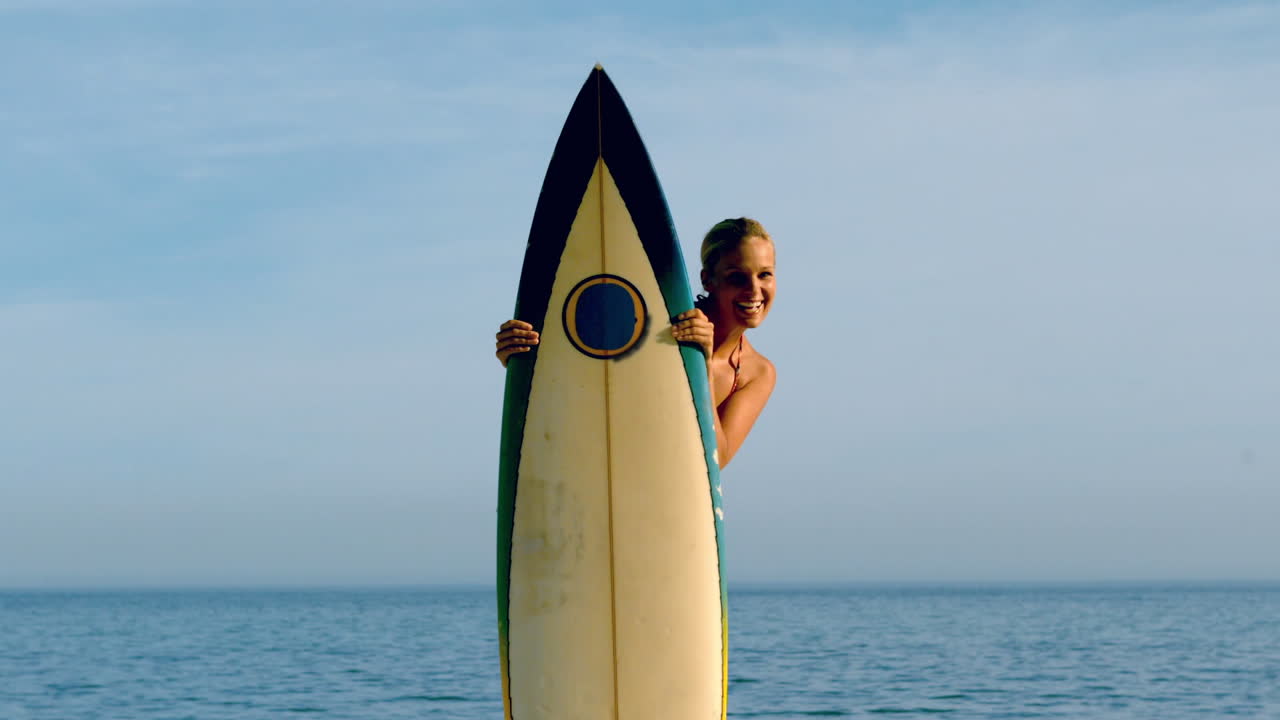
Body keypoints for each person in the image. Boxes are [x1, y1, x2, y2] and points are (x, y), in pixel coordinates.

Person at [495, 218, 776, 468]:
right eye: (737, 277)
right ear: (708, 280)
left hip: (668, 503)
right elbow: (587, 371)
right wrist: (523, 354)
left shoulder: (756, 372)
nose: (754, 290)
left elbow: (717, 459)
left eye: (765, 274)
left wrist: (700, 364)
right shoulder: (659, 325)